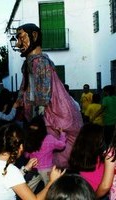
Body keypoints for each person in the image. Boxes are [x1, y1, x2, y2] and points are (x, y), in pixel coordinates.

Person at [15, 23, 83, 168]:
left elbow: (44, 90)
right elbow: (25, 85)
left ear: (34, 36)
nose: (18, 43)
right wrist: (19, 101)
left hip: (48, 110)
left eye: (21, 38)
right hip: (38, 111)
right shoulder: (29, 63)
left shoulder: (41, 62)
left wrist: (40, 111)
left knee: (53, 138)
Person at [0, 122, 65, 200]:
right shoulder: (11, 171)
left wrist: (26, 168)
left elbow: (5, 177)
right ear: (21, 147)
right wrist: (51, 182)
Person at [25, 115, 66, 185]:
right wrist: (62, 134)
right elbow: (62, 145)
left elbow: (26, 155)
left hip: (33, 168)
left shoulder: (28, 138)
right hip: (47, 169)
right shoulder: (49, 138)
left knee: (29, 189)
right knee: (49, 188)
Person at [69, 123, 106, 192]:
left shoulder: (78, 153)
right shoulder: (101, 159)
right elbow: (105, 186)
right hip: (98, 193)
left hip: (85, 191)